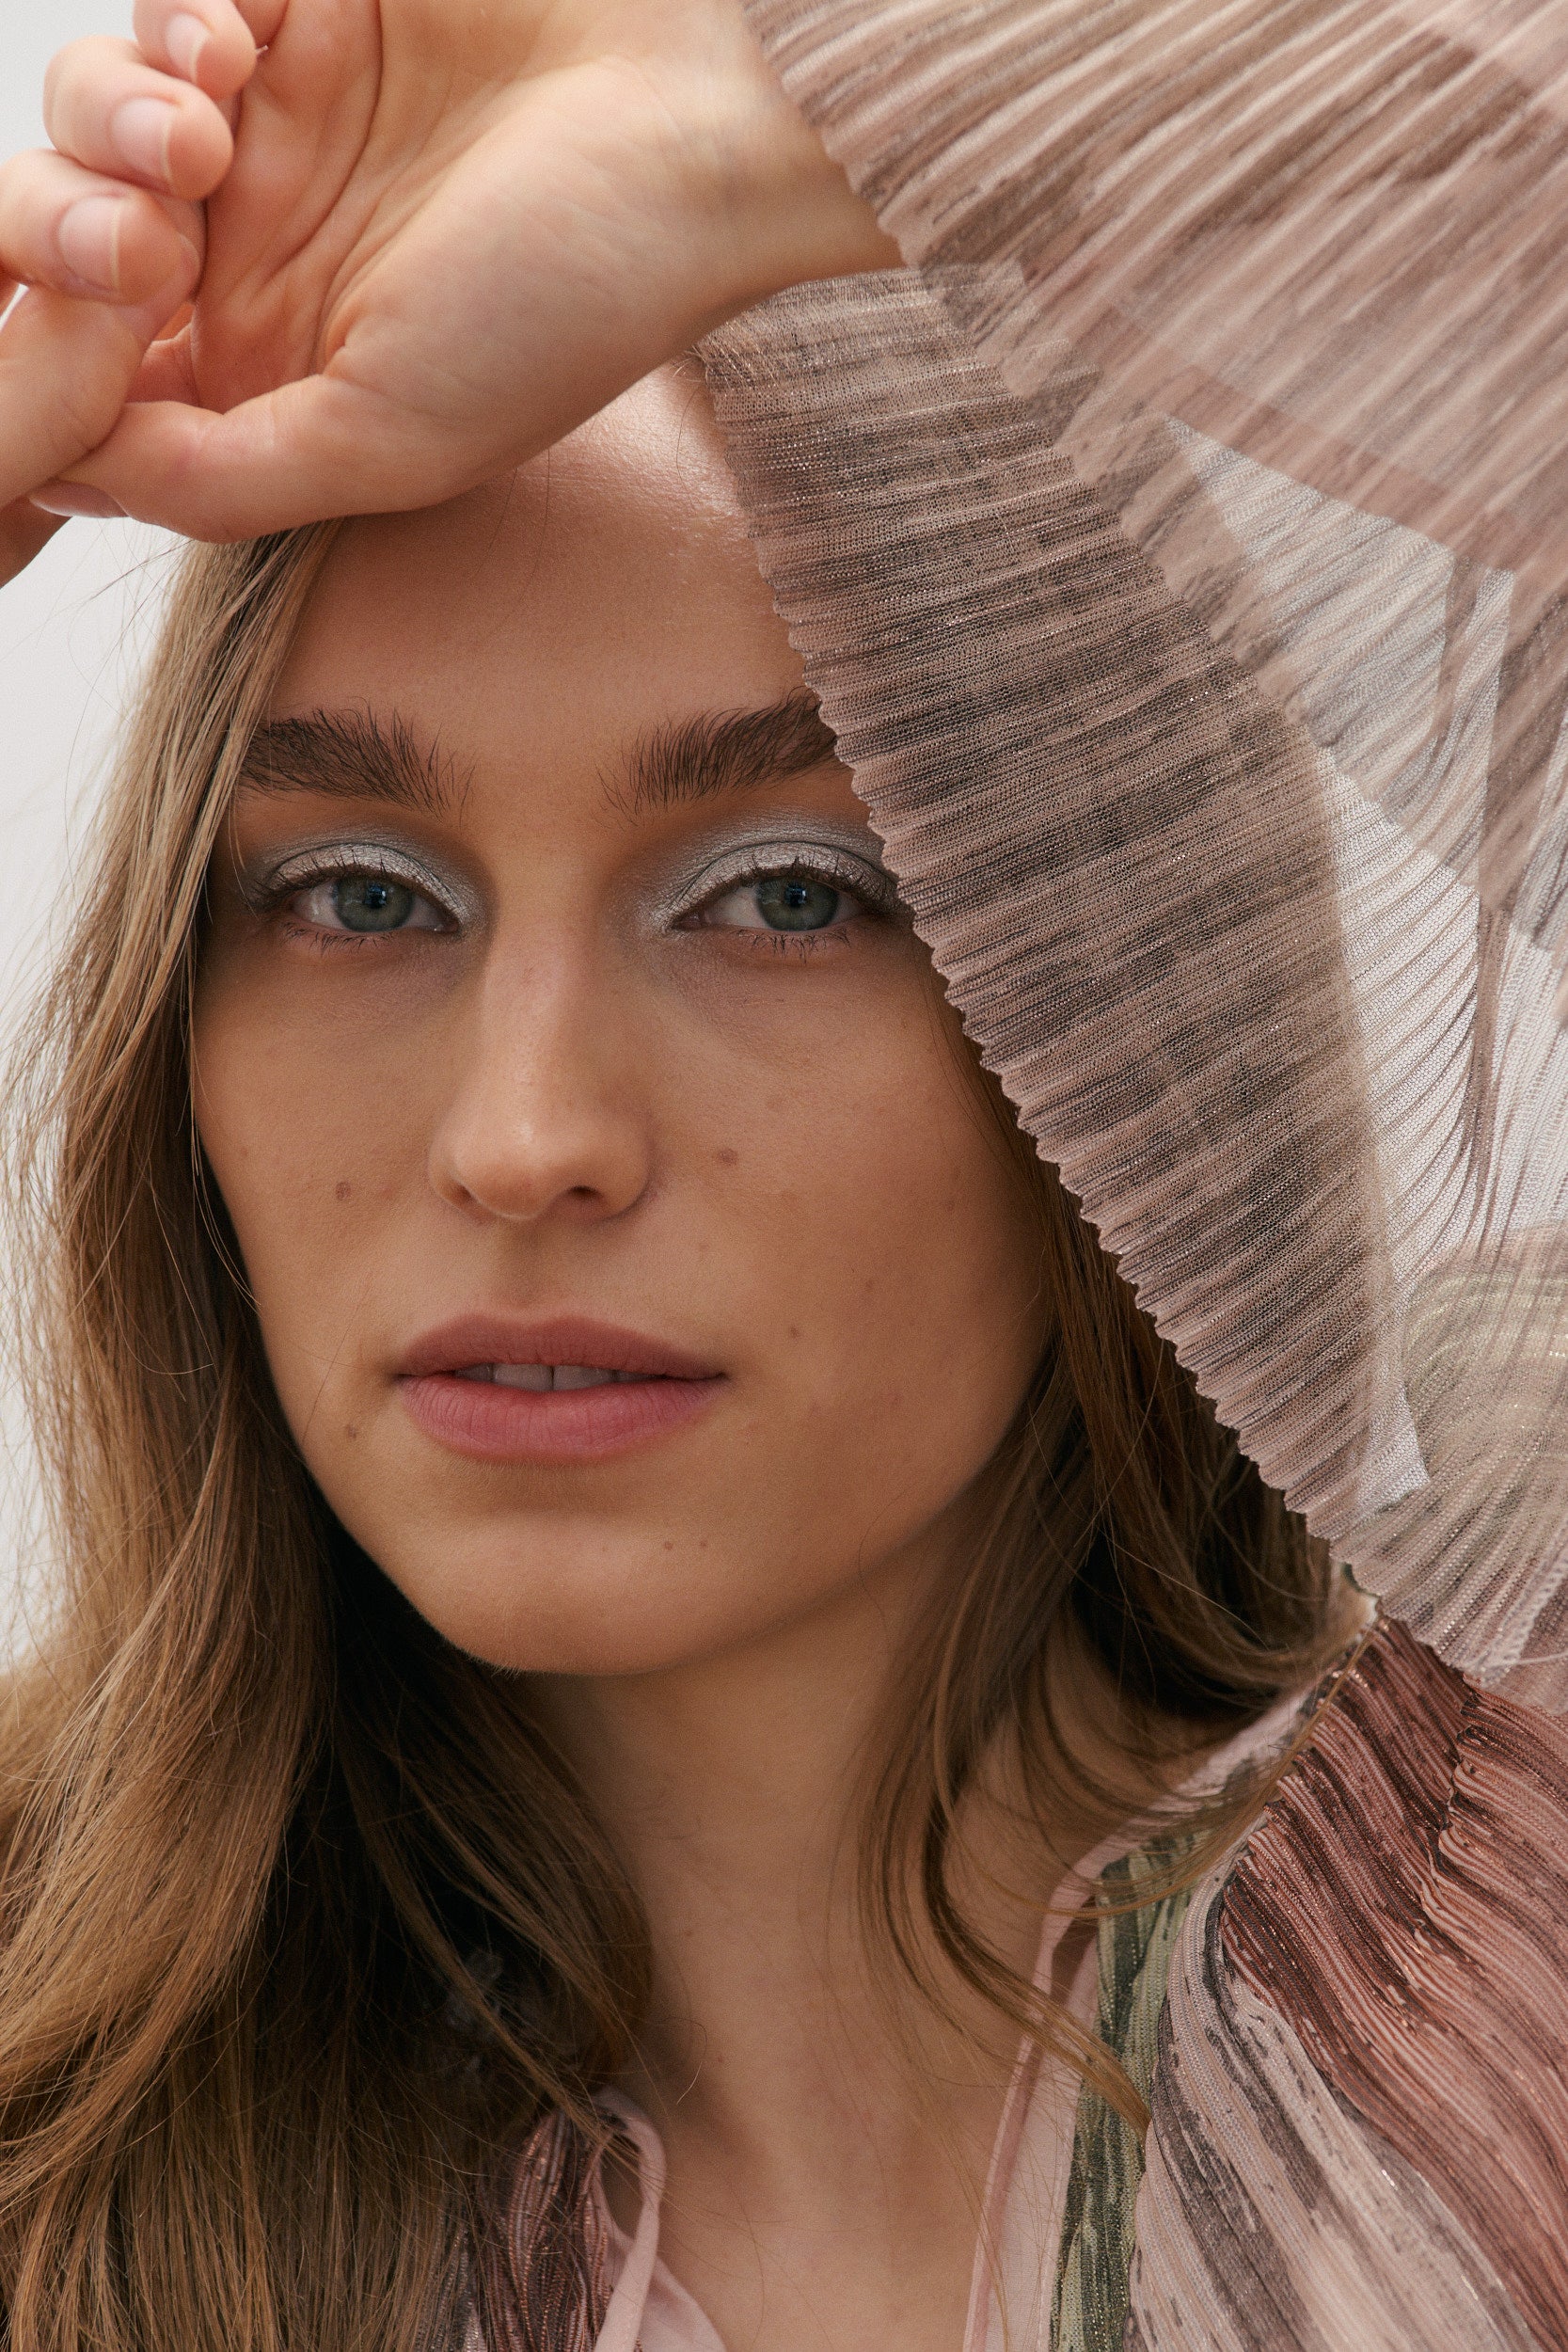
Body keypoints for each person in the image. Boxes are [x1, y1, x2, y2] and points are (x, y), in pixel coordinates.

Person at [1, 6, 1567, 2351]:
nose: (526, 1139)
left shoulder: (1516, 1922)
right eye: (357, 895)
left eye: (792, 893)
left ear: (1129, 998)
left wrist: (736, 141)